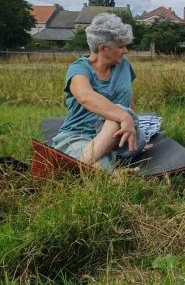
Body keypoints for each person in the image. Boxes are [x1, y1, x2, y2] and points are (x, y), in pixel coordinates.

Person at [51, 13, 150, 170]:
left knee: (121, 113)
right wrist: (123, 116)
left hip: (120, 137)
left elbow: (128, 99)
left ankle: (79, 167)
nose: (126, 51)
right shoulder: (79, 69)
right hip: (81, 135)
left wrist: (137, 131)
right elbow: (85, 97)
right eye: (121, 46)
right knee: (100, 162)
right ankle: (105, 173)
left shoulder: (124, 65)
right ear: (103, 48)